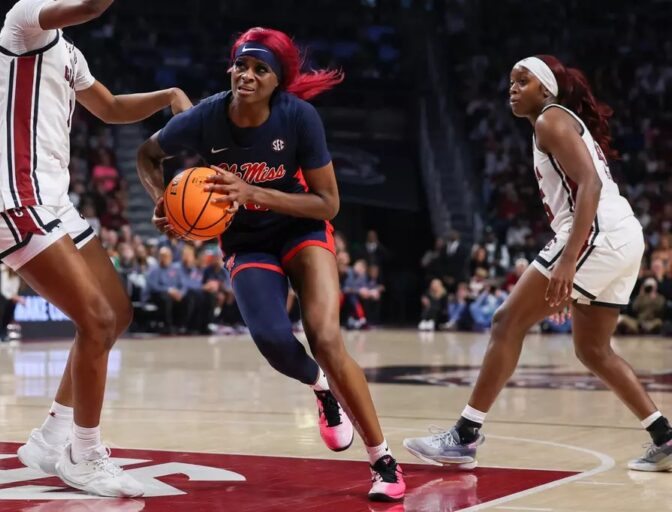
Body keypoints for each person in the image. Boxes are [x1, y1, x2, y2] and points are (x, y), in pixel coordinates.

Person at [136, 27, 405, 501]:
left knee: (324, 337)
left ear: (278, 80)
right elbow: (147, 153)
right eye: (242, 65)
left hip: (300, 227)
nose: (248, 75)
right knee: (274, 341)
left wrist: (252, 193)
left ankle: (382, 460)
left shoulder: (299, 118)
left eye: (261, 69)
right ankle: (322, 390)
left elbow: (328, 205)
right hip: (246, 241)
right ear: (230, 68)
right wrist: (163, 201)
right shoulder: (205, 118)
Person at [0, 0, 192, 497]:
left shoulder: (69, 52)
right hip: (10, 195)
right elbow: (89, 7)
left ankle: (52, 437)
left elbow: (109, 108)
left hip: (50, 200)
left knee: (117, 311)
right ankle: (84, 455)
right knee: (98, 322)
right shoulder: (24, 20)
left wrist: (169, 94)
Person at [404, 55, 672, 472]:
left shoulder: (550, 118)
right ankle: (666, 438)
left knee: (506, 322)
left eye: (522, 80)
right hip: (622, 236)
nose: (512, 88)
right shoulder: (554, 122)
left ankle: (463, 436)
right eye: (510, 81)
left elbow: (592, 184)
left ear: (546, 89)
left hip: (597, 234)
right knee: (593, 349)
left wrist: (568, 262)